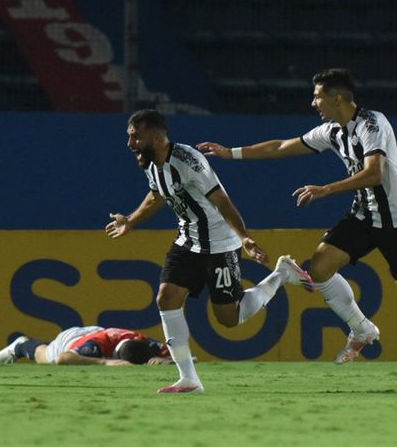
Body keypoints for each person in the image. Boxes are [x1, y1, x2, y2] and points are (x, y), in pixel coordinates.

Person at [197, 68, 397, 394]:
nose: (314, 103)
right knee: (320, 268)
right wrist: (232, 153)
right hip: (363, 217)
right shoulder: (332, 131)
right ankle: (361, 328)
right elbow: (283, 146)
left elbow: (374, 174)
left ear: (337, 98)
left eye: (318, 96)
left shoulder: (373, 123)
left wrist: (325, 190)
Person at [105, 109, 313, 394]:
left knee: (229, 319)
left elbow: (223, 202)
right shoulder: (151, 162)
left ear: (157, 136)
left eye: (136, 137)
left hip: (220, 245)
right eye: (130, 137)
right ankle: (188, 379)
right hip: (187, 242)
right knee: (166, 298)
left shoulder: (188, 161)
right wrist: (131, 221)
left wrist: (245, 238)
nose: (131, 144)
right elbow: (156, 195)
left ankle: (280, 275)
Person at [0, 326, 173, 366]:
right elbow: (64, 359)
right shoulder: (96, 348)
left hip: (96, 331)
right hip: (72, 340)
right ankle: (21, 346)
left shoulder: (147, 344)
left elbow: (186, 358)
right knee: (45, 358)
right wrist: (105, 363)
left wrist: (168, 360)